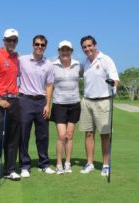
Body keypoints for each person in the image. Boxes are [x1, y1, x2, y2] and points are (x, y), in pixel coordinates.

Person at [79, 35, 119, 176]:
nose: (87, 49)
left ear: (95, 45)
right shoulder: (85, 63)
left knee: (104, 135)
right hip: (87, 101)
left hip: (103, 101)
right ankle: (89, 163)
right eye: (84, 47)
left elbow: (115, 78)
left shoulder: (105, 59)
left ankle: (106, 165)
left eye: (89, 45)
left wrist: (113, 84)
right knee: (88, 133)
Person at [0, 28, 21, 182]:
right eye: (9, 40)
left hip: (14, 101)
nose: (11, 43)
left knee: (13, 137)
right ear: (4, 40)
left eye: (14, 40)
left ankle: (10, 169)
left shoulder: (16, 58)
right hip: (0, 100)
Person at [19, 35, 55, 178]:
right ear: (32, 45)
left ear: (45, 46)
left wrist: (48, 104)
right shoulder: (22, 60)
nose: (39, 47)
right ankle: (24, 166)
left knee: (43, 135)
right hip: (25, 100)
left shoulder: (49, 64)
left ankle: (44, 164)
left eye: (42, 45)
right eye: (37, 44)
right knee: (23, 134)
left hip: (41, 102)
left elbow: (49, 85)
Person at [50, 40, 81, 175]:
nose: (65, 52)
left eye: (67, 50)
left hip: (74, 103)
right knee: (62, 135)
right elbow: (49, 85)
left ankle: (67, 163)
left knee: (70, 135)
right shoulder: (53, 65)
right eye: (62, 50)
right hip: (59, 104)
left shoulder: (78, 65)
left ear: (71, 51)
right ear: (59, 51)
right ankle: (58, 164)